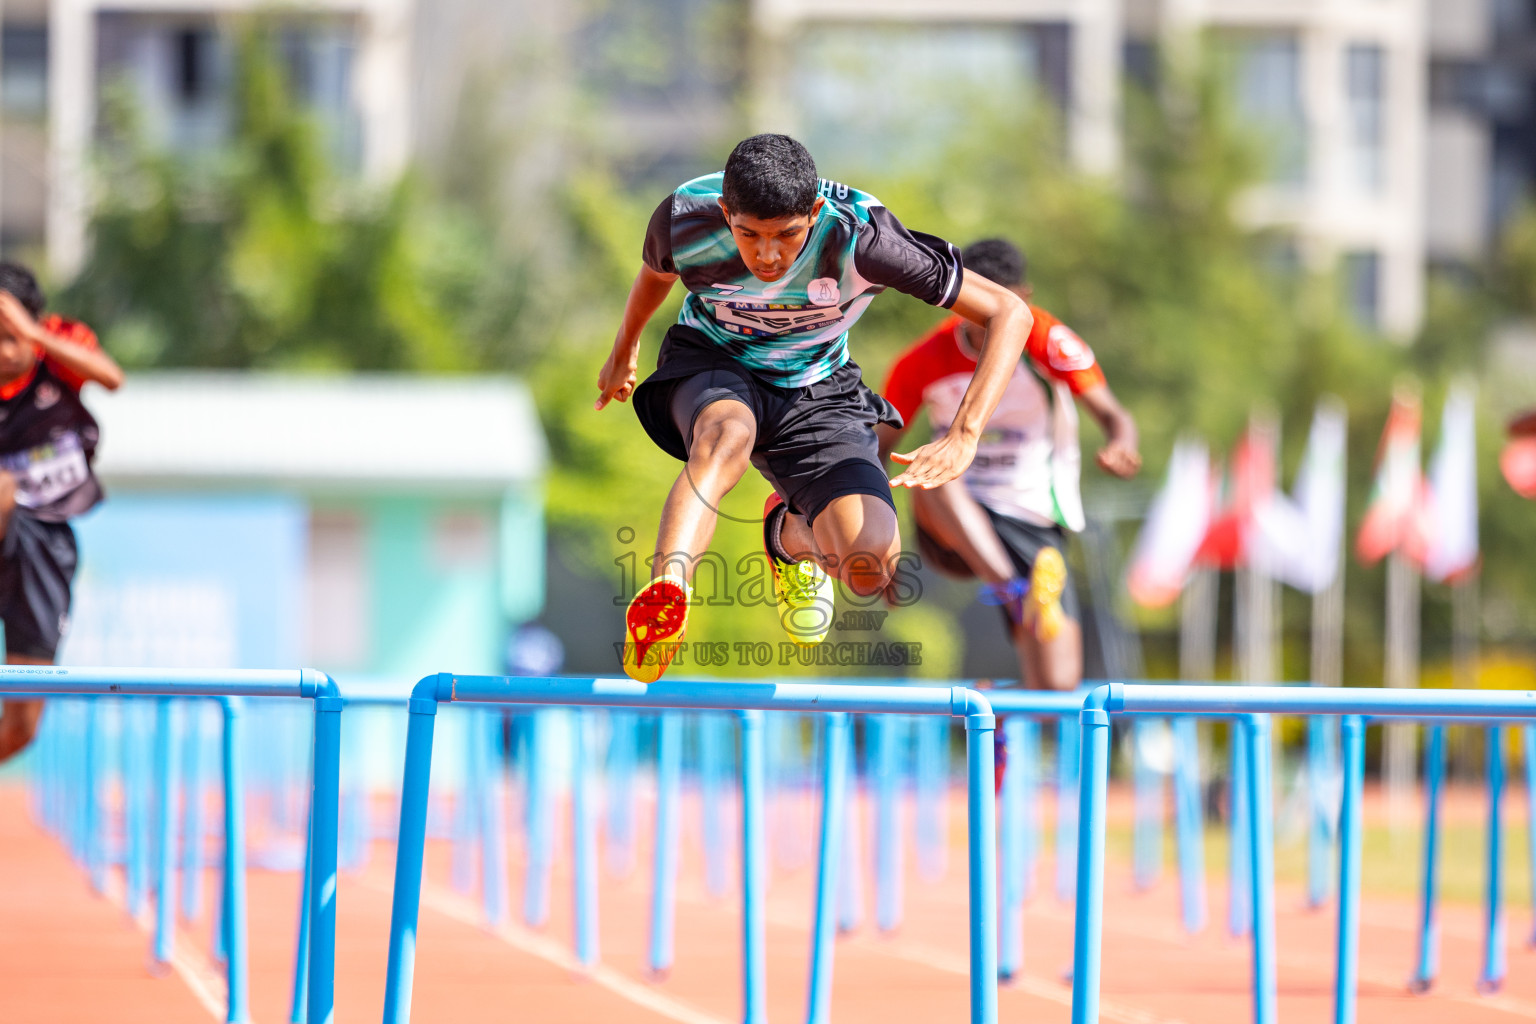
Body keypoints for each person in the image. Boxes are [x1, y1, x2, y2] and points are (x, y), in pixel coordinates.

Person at [595, 135, 1034, 683]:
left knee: (870, 565)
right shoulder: (685, 217)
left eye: (787, 236)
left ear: (815, 213)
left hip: (818, 387)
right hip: (715, 360)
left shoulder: (864, 239)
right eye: (748, 234)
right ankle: (666, 598)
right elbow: (656, 275)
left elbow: (1009, 312)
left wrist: (965, 431)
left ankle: (788, 532)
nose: (769, 255)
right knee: (724, 439)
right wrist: (623, 348)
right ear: (726, 213)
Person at [879, 238, 1139, 694]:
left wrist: (1121, 443)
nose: (986, 328)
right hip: (955, 519)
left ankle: (991, 703)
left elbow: (1114, 414)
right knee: (934, 465)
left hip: (1031, 513)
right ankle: (1012, 591)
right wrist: (880, 548)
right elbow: (877, 451)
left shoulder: (1046, 339)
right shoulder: (922, 361)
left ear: (1024, 297)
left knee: (1056, 687)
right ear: (959, 297)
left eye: (1000, 311)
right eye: (976, 311)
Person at [0, 261, 123, 761]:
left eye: (10, 339)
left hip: (45, 541)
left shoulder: (57, 347)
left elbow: (112, 377)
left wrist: (33, 335)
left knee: (23, 726)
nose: (2, 353)